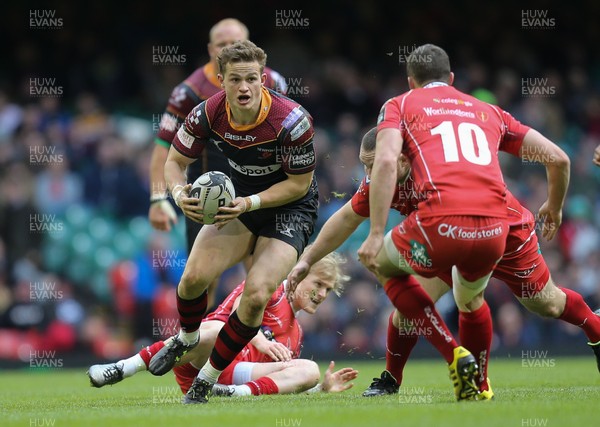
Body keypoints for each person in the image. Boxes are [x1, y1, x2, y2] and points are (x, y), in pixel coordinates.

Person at [292, 127, 600, 400]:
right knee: (406, 312)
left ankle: (596, 328)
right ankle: (393, 379)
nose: (368, 174)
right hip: (449, 236)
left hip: (506, 233)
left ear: (399, 158)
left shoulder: (435, 169)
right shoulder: (383, 179)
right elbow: (347, 217)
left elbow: (552, 161)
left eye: (373, 165)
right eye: (364, 165)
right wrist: (307, 258)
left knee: (546, 304)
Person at [149, 40, 319, 405]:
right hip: (238, 205)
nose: (245, 87)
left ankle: (205, 380)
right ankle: (188, 341)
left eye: (252, 79)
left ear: (263, 80)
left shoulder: (292, 120)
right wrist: (180, 198)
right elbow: (174, 163)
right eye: (236, 79)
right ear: (221, 81)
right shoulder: (206, 113)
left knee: (256, 293)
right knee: (192, 280)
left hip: (290, 208)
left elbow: (299, 184)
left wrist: (250, 202)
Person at [149, 18, 286, 308]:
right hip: (207, 193)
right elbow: (164, 149)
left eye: (236, 43)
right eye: (223, 44)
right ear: (211, 49)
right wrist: (158, 197)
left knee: (260, 276)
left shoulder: (273, 82)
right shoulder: (189, 92)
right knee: (201, 280)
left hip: (255, 188)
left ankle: (262, 344)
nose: (230, 49)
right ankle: (196, 347)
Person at [87, 251, 358, 396]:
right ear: (300, 274)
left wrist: (320, 388)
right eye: (319, 284)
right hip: (203, 358)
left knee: (309, 369)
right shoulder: (271, 287)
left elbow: (286, 382)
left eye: (328, 290)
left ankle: (232, 394)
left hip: (232, 377)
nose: (322, 295)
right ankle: (122, 367)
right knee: (217, 330)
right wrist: (259, 338)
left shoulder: (296, 332)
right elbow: (236, 315)